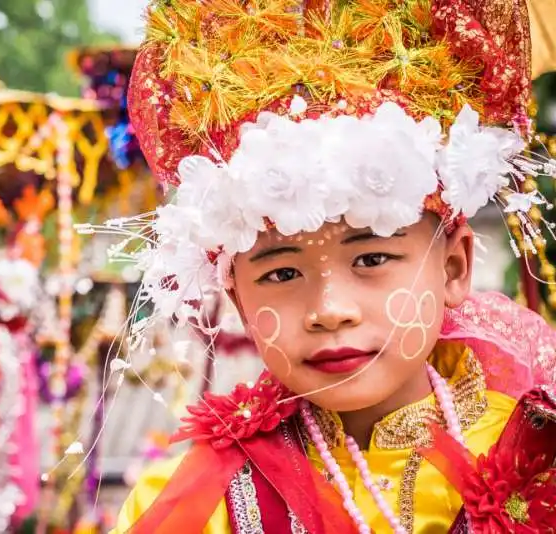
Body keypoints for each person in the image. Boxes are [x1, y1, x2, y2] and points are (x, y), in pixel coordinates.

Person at [98, 0, 556, 532]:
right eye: (282, 273)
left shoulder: (536, 462)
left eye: (372, 258)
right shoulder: (191, 502)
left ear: (453, 267)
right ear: (239, 299)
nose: (329, 311)